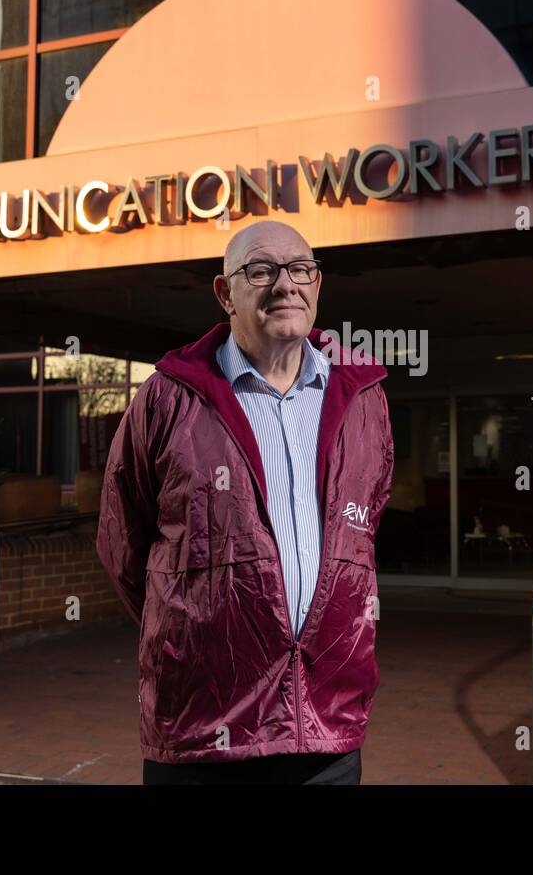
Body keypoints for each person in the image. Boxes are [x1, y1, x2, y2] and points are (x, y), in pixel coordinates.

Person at [96, 220, 394, 785]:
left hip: (327, 721)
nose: (286, 285)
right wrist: (193, 627)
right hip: (203, 729)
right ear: (224, 292)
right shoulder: (169, 396)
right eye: (261, 270)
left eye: (301, 269)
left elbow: (366, 521)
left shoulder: (364, 398)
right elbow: (121, 540)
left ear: (317, 283)